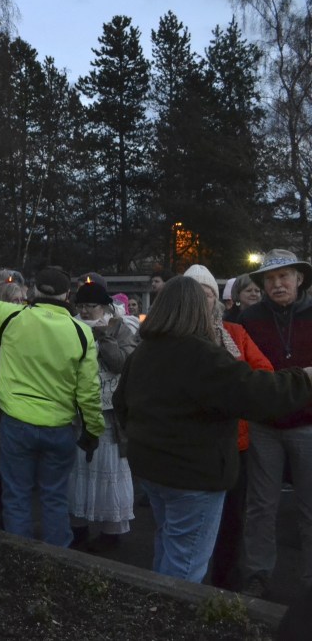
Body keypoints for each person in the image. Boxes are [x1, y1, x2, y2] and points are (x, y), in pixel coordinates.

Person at [113, 275, 312, 583]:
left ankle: (154, 608)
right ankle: (170, 622)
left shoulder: (145, 351)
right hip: (193, 476)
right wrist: (305, 378)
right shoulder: (201, 355)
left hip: (152, 470)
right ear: (197, 310)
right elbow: (257, 392)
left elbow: (121, 403)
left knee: (168, 543)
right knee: (186, 563)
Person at [0, 239, 103, 547]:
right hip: (59, 429)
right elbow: (89, 392)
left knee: (16, 497)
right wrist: (93, 431)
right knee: (55, 500)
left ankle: (20, 562)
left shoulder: (12, 318)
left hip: (16, 424)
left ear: (33, 292)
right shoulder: (82, 333)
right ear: (67, 295)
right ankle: (59, 565)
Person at [181, 265, 271, 590]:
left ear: (216, 299)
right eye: (194, 293)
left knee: (232, 518)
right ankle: (188, 584)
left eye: (206, 293)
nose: (201, 300)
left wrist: (233, 387)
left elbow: (263, 372)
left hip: (236, 442)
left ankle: (224, 582)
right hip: (192, 444)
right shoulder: (175, 339)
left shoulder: (234, 333)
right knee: (190, 520)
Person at [238, 250, 312, 596]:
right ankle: (257, 574)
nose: (277, 284)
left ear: (299, 279)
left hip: (307, 423)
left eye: (284, 277)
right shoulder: (248, 318)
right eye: (270, 279)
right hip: (264, 424)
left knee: (309, 506)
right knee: (261, 506)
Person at [69, 280, 138, 552]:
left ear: (105, 306)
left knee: (109, 469)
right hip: (78, 410)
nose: (86, 311)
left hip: (110, 412)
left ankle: (111, 531)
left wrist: (104, 338)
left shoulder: (120, 327)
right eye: (82, 306)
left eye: (91, 306)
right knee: (78, 469)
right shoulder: (70, 326)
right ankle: (78, 525)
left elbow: (123, 363)